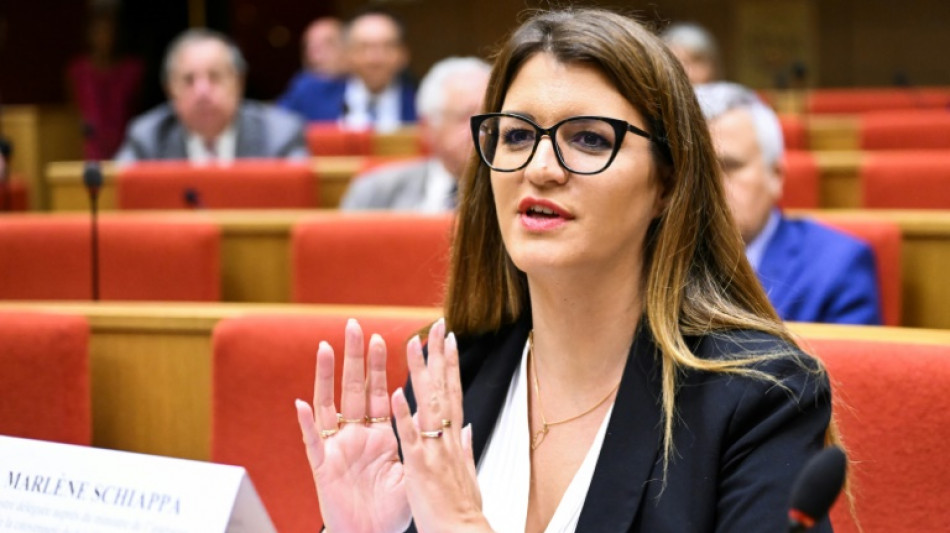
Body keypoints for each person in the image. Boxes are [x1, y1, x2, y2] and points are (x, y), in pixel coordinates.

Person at [295, 8, 837, 533]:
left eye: (589, 139)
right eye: (516, 135)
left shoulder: (761, 397)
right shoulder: (451, 376)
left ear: (668, 185)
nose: (539, 168)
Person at [696, 81, 882, 325]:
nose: (709, 187)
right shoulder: (648, 256)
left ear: (776, 175)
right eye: (696, 170)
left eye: (729, 167)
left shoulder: (837, 265)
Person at [115, 28, 308, 163]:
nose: (202, 92)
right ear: (170, 89)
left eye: (215, 77)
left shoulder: (279, 135)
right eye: (189, 80)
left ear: (239, 83)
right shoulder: (147, 138)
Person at [340, 56, 490, 211]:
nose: (483, 131)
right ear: (428, 126)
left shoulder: (513, 190)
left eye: (490, 117)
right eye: (465, 116)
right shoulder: (375, 193)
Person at [278, 8, 416, 132]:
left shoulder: (423, 104)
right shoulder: (310, 95)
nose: (375, 59)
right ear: (348, 54)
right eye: (364, 47)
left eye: (387, 47)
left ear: (403, 55)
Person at [66, 5, 144, 160]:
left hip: (126, 147)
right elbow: (74, 111)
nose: (104, 37)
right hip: (90, 150)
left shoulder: (133, 70)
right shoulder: (77, 71)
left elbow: (138, 109)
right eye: (99, 31)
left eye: (109, 31)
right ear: (89, 34)